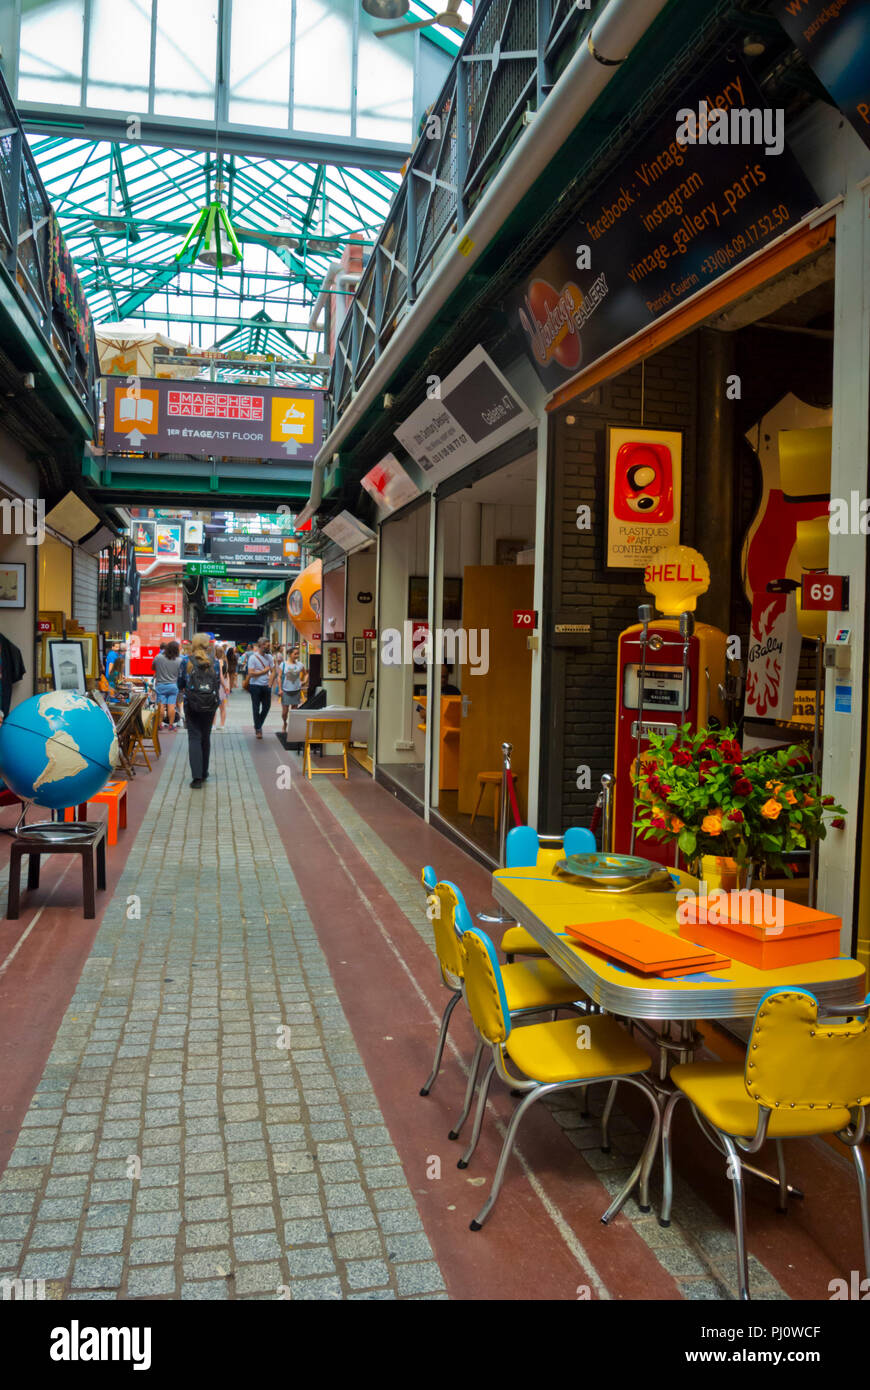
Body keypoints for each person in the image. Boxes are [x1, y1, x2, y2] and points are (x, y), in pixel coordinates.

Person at [177, 633, 221, 787]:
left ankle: (196, 778)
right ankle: (204, 772)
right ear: (207, 645)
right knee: (205, 737)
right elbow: (218, 683)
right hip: (210, 705)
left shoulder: (186, 662)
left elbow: (180, 683)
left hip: (192, 705)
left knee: (194, 737)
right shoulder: (214, 662)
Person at [246, 636, 275, 740]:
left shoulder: (270, 657)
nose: (269, 647)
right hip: (255, 686)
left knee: (267, 707)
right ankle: (258, 729)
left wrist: (270, 683)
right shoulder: (253, 657)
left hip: (266, 686)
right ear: (261, 646)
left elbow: (273, 671)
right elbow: (251, 673)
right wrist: (264, 671)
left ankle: (258, 725)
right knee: (256, 707)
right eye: (267, 645)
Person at [152, 640, 181, 730]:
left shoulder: (158, 657)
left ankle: (159, 725)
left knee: (161, 706)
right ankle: (171, 725)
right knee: (171, 706)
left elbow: (153, 668)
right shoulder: (179, 660)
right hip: (173, 686)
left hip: (161, 685)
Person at [278, 646, 304, 735]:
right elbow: (279, 677)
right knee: (284, 713)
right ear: (290, 654)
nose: (297, 655)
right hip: (285, 691)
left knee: (294, 712)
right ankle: (285, 723)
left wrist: (303, 682)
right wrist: (280, 689)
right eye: (295, 654)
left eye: (298, 654)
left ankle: (292, 728)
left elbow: (305, 673)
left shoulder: (300, 664)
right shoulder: (283, 664)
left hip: (296, 690)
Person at [214, 643, 230, 731]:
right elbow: (226, 675)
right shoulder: (225, 662)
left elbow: (220, 676)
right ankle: (222, 724)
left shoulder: (216, 662)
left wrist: (224, 686)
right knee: (223, 707)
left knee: (214, 707)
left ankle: (213, 725)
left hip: (218, 685)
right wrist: (227, 687)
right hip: (224, 685)